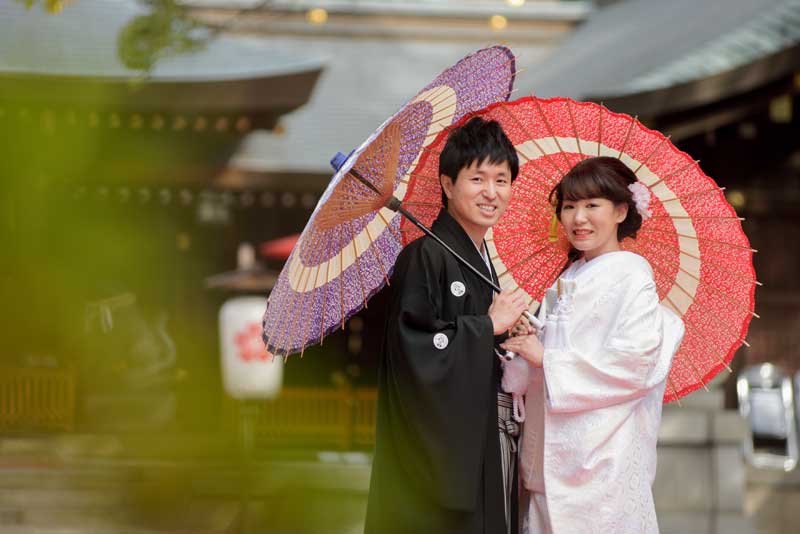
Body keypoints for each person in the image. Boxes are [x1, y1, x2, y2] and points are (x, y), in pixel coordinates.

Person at [499, 156, 685, 534]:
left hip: (602, 461)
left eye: (591, 205)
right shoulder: (562, 280)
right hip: (550, 458)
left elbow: (637, 363)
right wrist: (521, 349)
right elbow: (535, 353)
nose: (578, 218)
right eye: (569, 207)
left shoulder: (633, 275)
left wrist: (547, 360)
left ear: (620, 211)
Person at [364, 116, 529, 534]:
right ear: (447, 184)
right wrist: (486, 327)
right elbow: (413, 350)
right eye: (477, 178)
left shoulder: (479, 261)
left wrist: (511, 337)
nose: (491, 193)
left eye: (502, 179)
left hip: (486, 440)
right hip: (440, 461)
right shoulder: (424, 257)